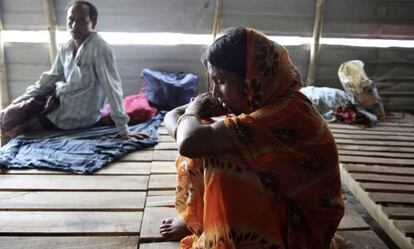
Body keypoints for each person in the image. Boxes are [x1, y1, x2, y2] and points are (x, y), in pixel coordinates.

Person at [160, 27, 345, 249]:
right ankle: (197, 221)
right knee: (206, 133)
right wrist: (189, 113)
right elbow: (180, 128)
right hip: (284, 199)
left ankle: (226, 238)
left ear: (251, 81)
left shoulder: (284, 113)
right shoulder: (267, 99)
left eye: (221, 81)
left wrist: (191, 110)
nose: (215, 93)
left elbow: (189, 142)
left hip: (304, 229)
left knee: (222, 163)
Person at [0, 1, 145, 143]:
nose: (74, 25)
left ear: (93, 23)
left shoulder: (99, 48)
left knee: (12, 124)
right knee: (9, 114)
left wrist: (123, 129)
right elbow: (47, 81)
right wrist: (16, 102)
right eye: (71, 20)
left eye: (81, 20)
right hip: (58, 104)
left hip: (77, 117)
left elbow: (112, 88)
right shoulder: (67, 47)